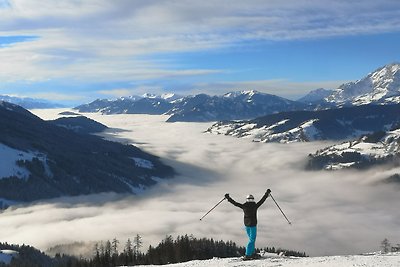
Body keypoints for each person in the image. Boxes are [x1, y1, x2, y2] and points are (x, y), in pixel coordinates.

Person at [224, 189, 271, 260]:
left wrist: (228, 198)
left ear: (247, 200)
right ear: (252, 199)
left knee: (251, 239)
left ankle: (252, 253)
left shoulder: (244, 206)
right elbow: (262, 200)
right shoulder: (255, 206)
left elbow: (235, 203)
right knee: (252, 240)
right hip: (253, 225)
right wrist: (267, 194)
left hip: (246, 225)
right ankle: (248, 254)